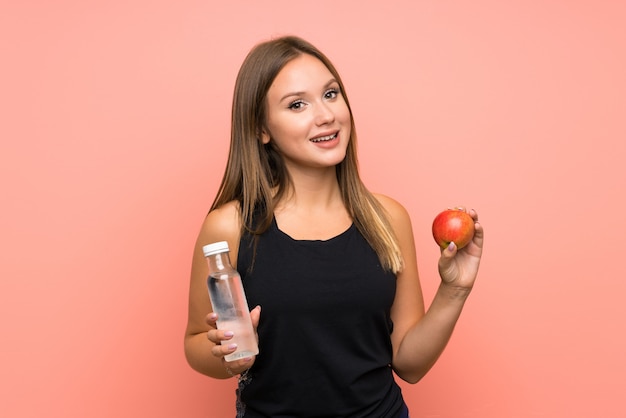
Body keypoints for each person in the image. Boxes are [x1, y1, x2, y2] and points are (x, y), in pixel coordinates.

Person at [184, 35, 484, 418]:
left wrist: (454, 290)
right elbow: (195, 342)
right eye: (297, 105)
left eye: (331, 94)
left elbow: (409, 364)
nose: (326, 115)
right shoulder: (230, 226)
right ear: (261, 129)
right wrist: (226, 355)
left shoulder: (387, 218)